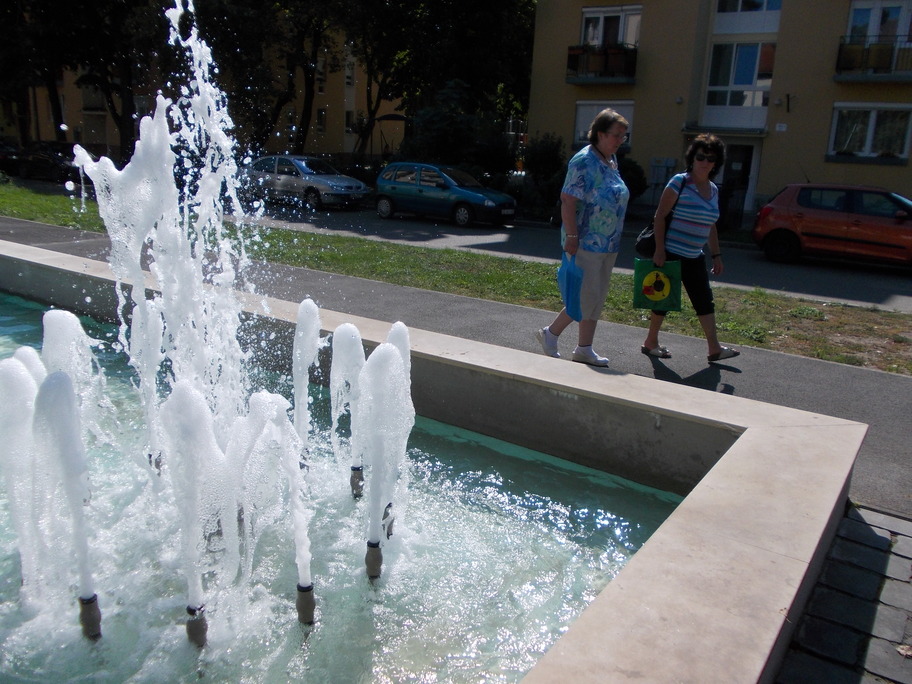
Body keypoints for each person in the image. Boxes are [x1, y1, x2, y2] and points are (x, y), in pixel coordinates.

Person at [536, 108, 630, 366]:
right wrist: (572, 235)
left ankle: (584, 348)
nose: (621, 140)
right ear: (600, 134)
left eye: (623, 136)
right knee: (584, 296)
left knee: (596, 296)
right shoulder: (584, 160)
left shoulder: (610, 161)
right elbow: (568, 199)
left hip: (608, 242)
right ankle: (551, 333)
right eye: (616, 135)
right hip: (586, 240)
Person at [641, 133, 740, 363]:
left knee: (704, 300)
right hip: (671, 253)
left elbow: (711, 225)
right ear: (692, 158)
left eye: (710, 158)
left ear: (716, 163)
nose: (705, 162)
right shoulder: (680, 182)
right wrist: (659, 250)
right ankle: (650, 341)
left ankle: (714, 348)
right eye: (700, 157)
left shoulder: (713, 190)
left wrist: (716, 255)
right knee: (663, 300)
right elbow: (660, 216)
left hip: (695, 256)